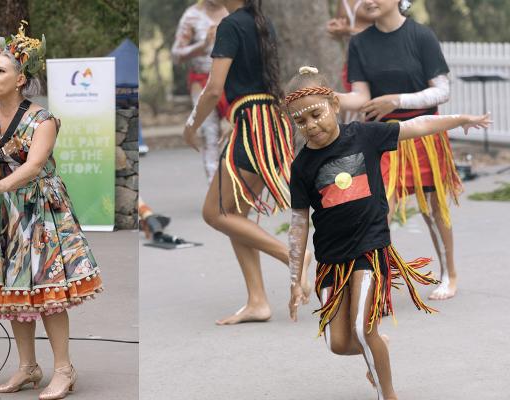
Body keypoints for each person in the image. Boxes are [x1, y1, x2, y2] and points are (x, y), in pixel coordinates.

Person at [283, 66, 489, 400]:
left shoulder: (365, 135)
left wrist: (458, 119)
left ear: (334, 104)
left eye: (316, 115)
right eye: (301, 122)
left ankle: (387, 393)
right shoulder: (302, 165)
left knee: (363, 331)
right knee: (338, 343)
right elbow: (298, 223)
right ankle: (377, 350)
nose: (311, 126)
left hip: (369, 250)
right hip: (331, 261)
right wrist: (295, 278)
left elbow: (416, 125)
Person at [0, 23, 100, 400]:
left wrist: (0, 185)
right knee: (16, 292)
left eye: (0, 71)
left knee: (48, 290)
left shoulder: (42, 119)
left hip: (40, 211)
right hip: (5, 215)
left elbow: (33, 166)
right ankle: (28, 366)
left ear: (20, 79)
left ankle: (64, 369)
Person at [181, 0, 311, 325]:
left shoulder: (230, 25)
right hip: (269, 123)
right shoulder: (261, 22)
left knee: (215, 212)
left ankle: (293, 256)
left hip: (254, 125)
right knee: (236, 215)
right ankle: (257, 301)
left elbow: (213, 90)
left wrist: (191, 126)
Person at [336, 0, 461, 301]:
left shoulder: (421, 36)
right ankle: (374, 281)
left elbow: (442, 91)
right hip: (381, 137)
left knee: (433, 208)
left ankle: (450, 273)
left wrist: (396, 100)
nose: (369, 1)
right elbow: (360, 97)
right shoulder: (359, 42)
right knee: (380, 209)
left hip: (423, 135)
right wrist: (327, 98)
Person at [172, 0, 229, 181]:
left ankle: (236, 189)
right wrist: (202, 45)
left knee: (237, 134)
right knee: (210, 135)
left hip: (233, 80)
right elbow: (176, 55)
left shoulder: (235, 9)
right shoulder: (192, 16)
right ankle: (215, 190)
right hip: (202, 80)